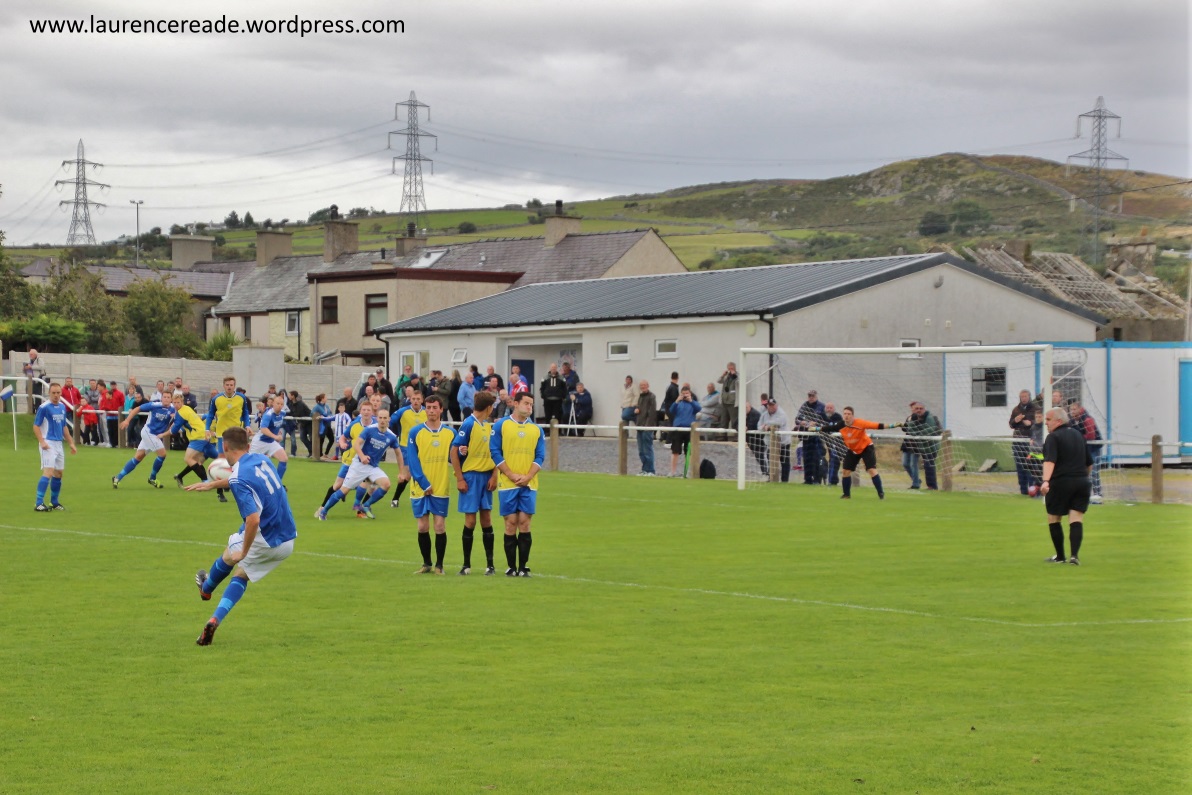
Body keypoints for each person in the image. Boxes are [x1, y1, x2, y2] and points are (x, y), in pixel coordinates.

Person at [187, 427, 298, 646]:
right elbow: (241, 479)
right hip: (288, 539)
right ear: (248, 446)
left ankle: (206, 590)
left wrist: (244, 552)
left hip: (265, 537)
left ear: (225, 446)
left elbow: (253, 520)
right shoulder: (262, 460)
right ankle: (213, 618)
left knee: (231, 554)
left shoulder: (238, 478)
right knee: (242, 574)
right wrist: (212, 484)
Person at [491, 392, 546, 577]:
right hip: (508, 483)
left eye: (531, 404)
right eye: (526, 403)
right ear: (515, 403)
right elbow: (495, 451)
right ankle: (511, 567)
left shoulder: (537, 430)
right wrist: (510, 474)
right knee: (510, 523)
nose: (529, 407)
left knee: (524, 522)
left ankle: (523, 567)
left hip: (529, 484)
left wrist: (529, 476)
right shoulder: (501, 425)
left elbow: (540, 456)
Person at [320, 408, 399, 521]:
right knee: (343, 490)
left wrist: (402, 471)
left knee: (385, 484)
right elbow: (355, 443)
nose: (382, 420)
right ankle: (323, 511)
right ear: (377, 418)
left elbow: (398, 454)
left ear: (389, 419)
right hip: (358, 465)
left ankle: (365, 505)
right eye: (380, 418)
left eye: (385, 418)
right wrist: (362, 456)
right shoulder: (367, 429)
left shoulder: (391, 436)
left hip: (372, 467)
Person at [451, 391, 499, 575]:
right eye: (492, 406)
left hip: (487, 477)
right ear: (488, 407)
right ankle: (466, 565)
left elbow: (495, 453)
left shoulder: (487, 426)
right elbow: (454, 451)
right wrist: (460, 478)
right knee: (470, 521)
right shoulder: (469, 424)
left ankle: (490, 565)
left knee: (486, 519)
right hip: (471, 477)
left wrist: (494, 475)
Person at [407, 395, 455, 573]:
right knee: (422, 526)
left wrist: (462, 452)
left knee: (440, 526)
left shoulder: (450, 433)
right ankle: (426, 564)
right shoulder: (415, 432)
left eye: (435, 407)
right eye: (428, 407)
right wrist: (423, 483)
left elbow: (454, 457)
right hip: (420, 486)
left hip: (441, 485)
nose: (431, 411)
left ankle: (439, 566)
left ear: (441, 409)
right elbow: (412, 461)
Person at [812, 407, 903, 499]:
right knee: (845, 471)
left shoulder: (860, 423)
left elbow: (876, 425)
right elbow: (829, 428)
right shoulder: (841, 424)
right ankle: (846, 495)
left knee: (871, 470)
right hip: (853, 450)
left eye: (849, 414)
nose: (846, 416)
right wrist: (816, 428)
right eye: (845, 414)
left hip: (866, 448)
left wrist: (892, 425)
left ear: (853, 416)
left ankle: (881, 494)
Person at [1040, 407, 1093, 565]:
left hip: (1061, 482)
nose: (1045, 423)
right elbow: (1089, 463)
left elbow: (1050, 461)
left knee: (1054, 517)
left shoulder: (1053, 437)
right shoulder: (1078, 434)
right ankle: (1074, 556)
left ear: (1059, 421)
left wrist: (1045, 481)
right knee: (1076, 518)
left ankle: (1060, 556)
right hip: (1082, 482)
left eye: (1048, 419)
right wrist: (1083, 477)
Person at [316, 401, 376, 517]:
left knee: (372, 485)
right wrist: (342, 443)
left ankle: (361, 510)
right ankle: (322, 508)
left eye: (368, 410)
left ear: (372, 412)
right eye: (364, 410)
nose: (366, 412)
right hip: (350, 459)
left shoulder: (376, 425)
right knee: (337, 485)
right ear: (360, 411)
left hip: (367, 461)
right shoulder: (355, 424)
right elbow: (343, 437)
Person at [204, 376, 251, 502]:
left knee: (239, 461)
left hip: (237, 433)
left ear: (234, 386)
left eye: (231, 385)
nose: (229, 387)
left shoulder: (241, 398)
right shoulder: (216, 399)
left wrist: (247, 425)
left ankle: (237, 486)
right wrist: (207, 429)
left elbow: (245, 413)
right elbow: (210, 414)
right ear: (223, 385)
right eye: (227, 385)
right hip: (222, 434)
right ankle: (220, 492)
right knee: (222, 461)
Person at [33, 382, 77, 511]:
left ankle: (54, 502)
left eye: (58, 393)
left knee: (59, 473)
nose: (56, 395)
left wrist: (71, 443)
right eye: (53, 393)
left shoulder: (62, 407)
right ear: (49, 393)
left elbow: (64, 427)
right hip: (48, 443)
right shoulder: (44, 407)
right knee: (48, 472)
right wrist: (42, 442)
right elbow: (36, 426)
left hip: (58, 444)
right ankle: (38, 503)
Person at [115, 396, 177, 489]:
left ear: (171, 399)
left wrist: (175, 419)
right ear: (161, 398)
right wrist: (127, 420)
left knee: (138, 458)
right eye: (164, 397)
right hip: (149, 433)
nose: (166, 399)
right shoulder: (154, 405)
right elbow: (137, 409)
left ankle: (117, 478)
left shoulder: (173, 408)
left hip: (155, 436)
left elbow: (178, 419)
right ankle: (152, 478)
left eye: (168, 397)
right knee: (162, 454)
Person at [170, 392, 218, 487]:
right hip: (203, 439)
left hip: (207, 441)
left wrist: (215, 434)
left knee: (194, 461)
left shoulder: (222, 420)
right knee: (197, 462)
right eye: (174, 402)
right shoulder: (208, 416)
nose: (176, 404)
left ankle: (212, 482)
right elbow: (197, 420)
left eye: (178, 402)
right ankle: (210, 482)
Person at [389, 390, 427, 508]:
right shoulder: (403, 411)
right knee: (407, 474)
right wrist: (392, 436)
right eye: (413, 399)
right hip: (405, 447)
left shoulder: (427, 412)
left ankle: (399, 498)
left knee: (418, 473)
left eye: (418, 399)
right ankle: (396, 499)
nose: (415, 401)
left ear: (422, 400)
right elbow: (390, 422)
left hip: (422, 448)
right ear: (410, 399)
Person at [1067, 400, 1104, 503]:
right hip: (1083, 449)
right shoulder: (1071, 420)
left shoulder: (1087, 419)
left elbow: (1091, 436)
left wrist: (1077, 437)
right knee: (1081, 472)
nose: (1072, 411)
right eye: (1071, 409)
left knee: (1093, 472)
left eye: (1074, 409)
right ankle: (1082, 494)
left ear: (1080, 409)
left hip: (1094, 449)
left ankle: (1098, 495)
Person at [250, 394, 291, 481]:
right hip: (260, 442)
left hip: (271, 442)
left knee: (284, 459)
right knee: (250, 463)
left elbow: (277, 424)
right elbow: (263, 429)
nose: (279, 406)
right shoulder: (268, 415)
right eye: (277, 403)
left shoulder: (282, 413)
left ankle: (277, 483)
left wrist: (277, 431)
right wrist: (275, 436)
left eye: (281, 404)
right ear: (273, 404)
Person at [902, 400, 941, 490]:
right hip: (915, 444)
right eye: (916, 408)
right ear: (912, 409)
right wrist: (913, 429)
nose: (919, 410)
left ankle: (931, 486)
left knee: (927, 465)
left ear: (924, 409)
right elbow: (908, 430)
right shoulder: (911, 418)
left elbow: (929, 430)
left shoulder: (930, 418)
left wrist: (917, 434)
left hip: (930, 445)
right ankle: (919, 482)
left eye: (921, 408)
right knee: (906, 463)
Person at [795, 390, 827, 484]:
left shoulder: (821, 406)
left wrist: (816, 423)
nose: (811, 397)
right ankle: (807, 479)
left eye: (813, 396)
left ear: (816, 396)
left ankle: (817, 480)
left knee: (816, 458)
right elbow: (797, 419)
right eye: (809, 396)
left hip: (817, 438)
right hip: (806, 437)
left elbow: (825, 420)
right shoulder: (804, 406)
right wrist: (802, 422)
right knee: (807, 458)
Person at [1009, 389, 1036, 496]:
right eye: (1022, 397)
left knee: (1030, 464)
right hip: (1017, 441)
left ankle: (1032, 488)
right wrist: (1015, 420)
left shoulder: (1035, 409)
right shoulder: (1016, 409)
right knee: (1020, 465)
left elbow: (1040, 422)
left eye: (1025, 396)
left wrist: (1031, 422)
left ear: (1029, 397)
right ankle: (1023, 490)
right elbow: (1011, 424)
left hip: (1030, 441)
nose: (1023, 398)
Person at [667, 385, 698, 478]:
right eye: (683, 394)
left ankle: (688, 472)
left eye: (687, 394)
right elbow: (671, 410)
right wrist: (677, 401)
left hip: (689, 430)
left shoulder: (693, 403)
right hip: (678, 429)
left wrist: (691, 400)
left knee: (688, 452)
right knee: (675, 451)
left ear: (690, 394)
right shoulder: (678, 403)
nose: (685, 395)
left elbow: (699, 408)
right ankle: (672, 472)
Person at [760, 398, 793, 483]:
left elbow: (778, 423)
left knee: (784, 462)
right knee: (771, 461)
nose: (771, 407)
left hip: (783, 442)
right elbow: (759, 425)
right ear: (767, 406)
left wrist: (768, 426)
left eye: (773, 405)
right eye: (769, 405)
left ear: (776, 405)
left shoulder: (781, 413)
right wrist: (763, 427)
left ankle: (785, 481)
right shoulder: (764, 414)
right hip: (771, 443)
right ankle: (772, 479)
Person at [633, 380, 658, 475]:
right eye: (641, 385)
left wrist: (647, 427)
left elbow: (652, 413)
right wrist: (637, 410)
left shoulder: (652, 397)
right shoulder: (640, 397)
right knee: (641, 451)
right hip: (640, 426)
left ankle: (650, 470)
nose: (643, 387)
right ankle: (644, 469)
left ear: (648, 385)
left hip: (647, 427)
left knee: (647, 449)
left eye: (644, 385)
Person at [743, 401, 767, 475]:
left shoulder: (755, 414)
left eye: (746, 407)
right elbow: (736, 423)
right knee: (759, 457)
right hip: (752, 441)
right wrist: (740, 426)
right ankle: (765, 472)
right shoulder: (742, 414)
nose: (744, 409)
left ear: (750, 407)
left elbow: (754, 425)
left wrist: (746, 427)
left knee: (761, 456)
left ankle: (766, 472)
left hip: (759, 441)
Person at [288, 390, 312, 456]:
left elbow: (298, 413)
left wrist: (292, 415)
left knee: (312, 438)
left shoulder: (300, 403)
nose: (288, 396)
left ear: (293, 396)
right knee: (302, 438)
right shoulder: (291, 403)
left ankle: (313, 452)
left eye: (290, 395)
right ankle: (311, 450)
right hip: (302, 423)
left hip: (309, 423)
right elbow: (291, 412)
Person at [717, 362, 739, 430]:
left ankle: (735, 436)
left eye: (731, 368)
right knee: (723, 422)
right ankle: (723, 435)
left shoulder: (738, 376)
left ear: (735, 368)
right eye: (729, 369)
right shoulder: (726, 376)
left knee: (734, 422)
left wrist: (735, 375)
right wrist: (723, 375)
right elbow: (719, 381)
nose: (730, 370)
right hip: (724, 402)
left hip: (733, 403)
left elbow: (740, 383)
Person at [103, 381, 124, 449]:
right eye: (111, 385)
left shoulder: (119, 394)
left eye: (114, 385)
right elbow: (104, 405)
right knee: (110, 430)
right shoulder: (107, 396)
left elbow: (121, 404)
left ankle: (116, 443)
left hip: (116, 415)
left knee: (116, 430)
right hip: (109, 416)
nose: (113, 386)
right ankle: (111, 443)